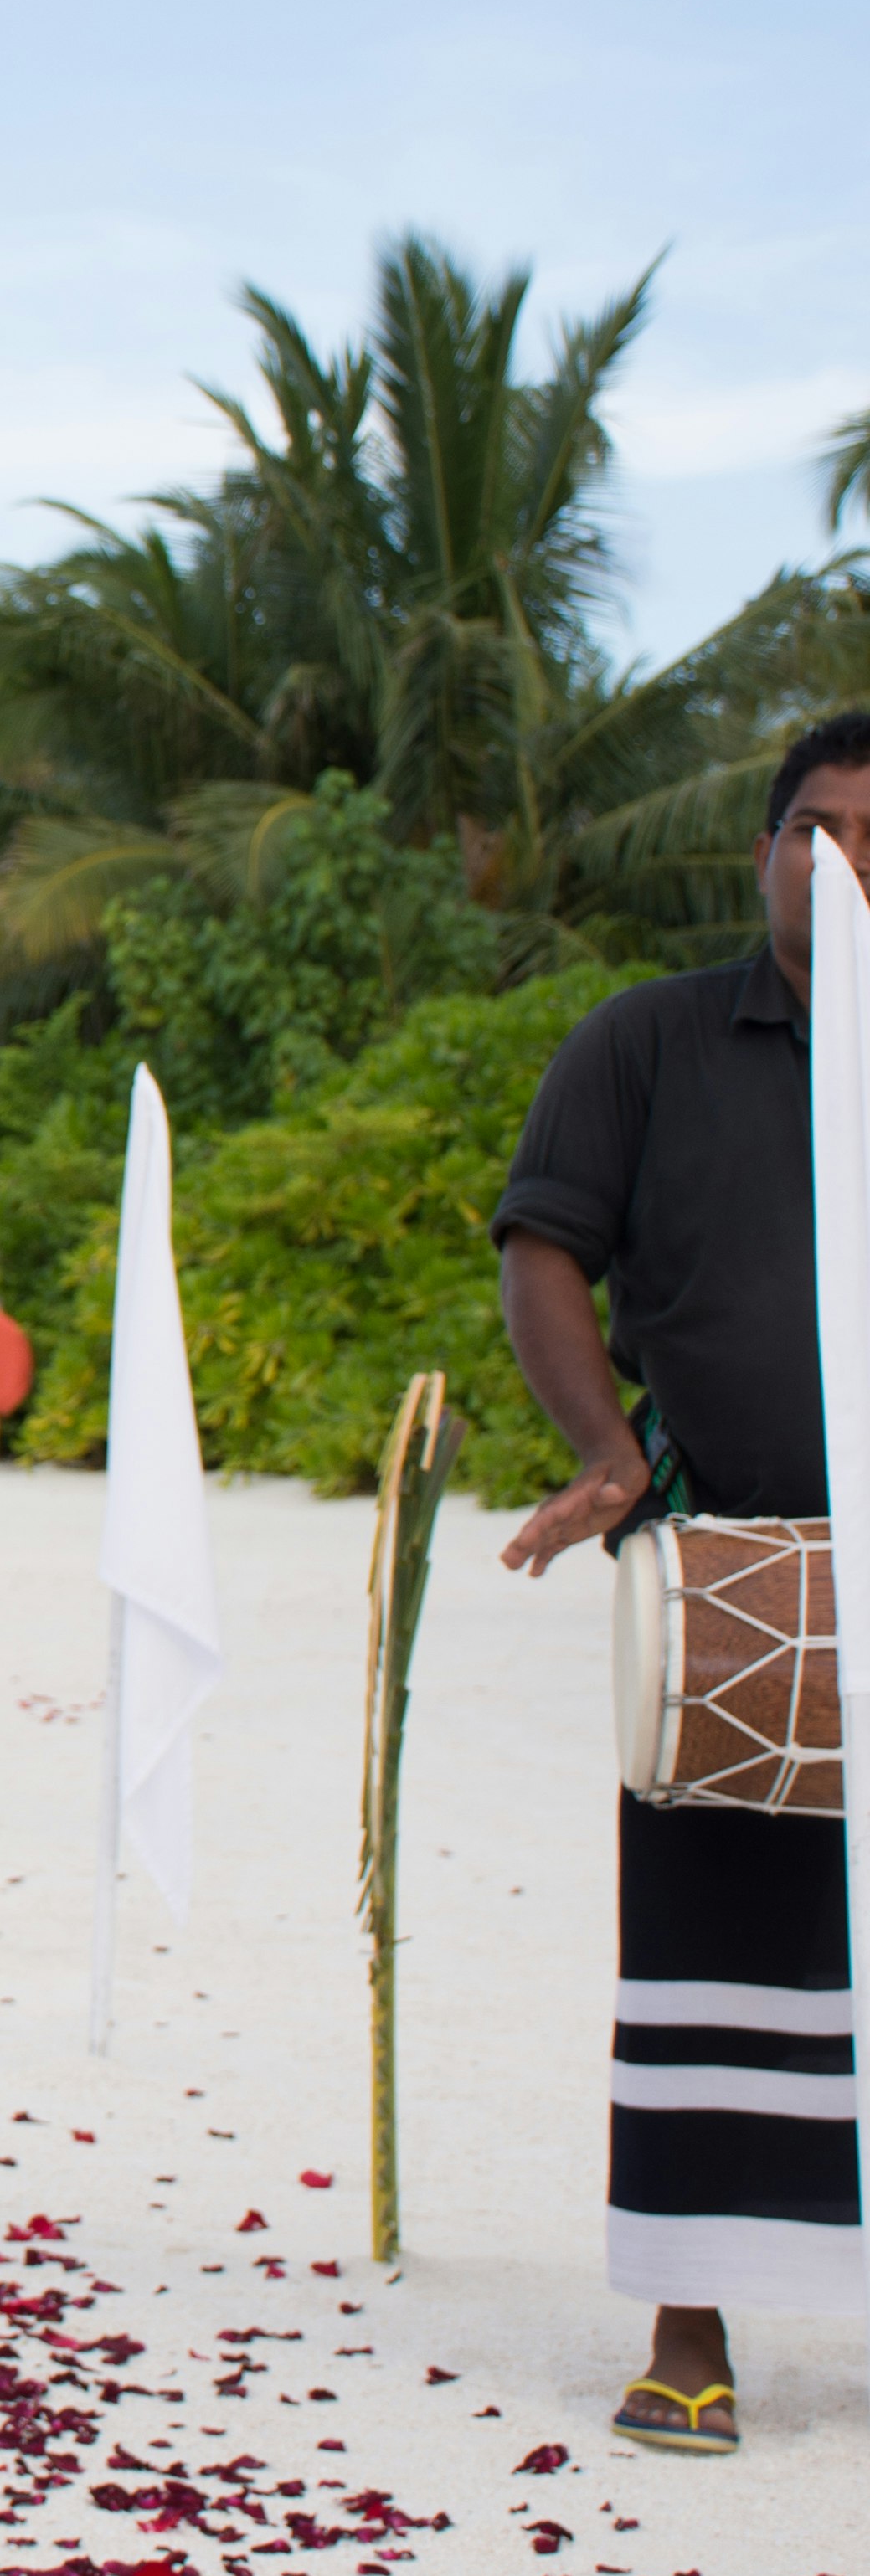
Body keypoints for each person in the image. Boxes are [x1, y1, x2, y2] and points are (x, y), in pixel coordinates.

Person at [494, 707, 870, 2450]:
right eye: (816, 829)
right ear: (761, 852)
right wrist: (606, 1454)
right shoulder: (641, 1044)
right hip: (727, 1552)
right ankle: (690, 2323)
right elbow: (542, 1245)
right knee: (715, 1930)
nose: (843, 862)